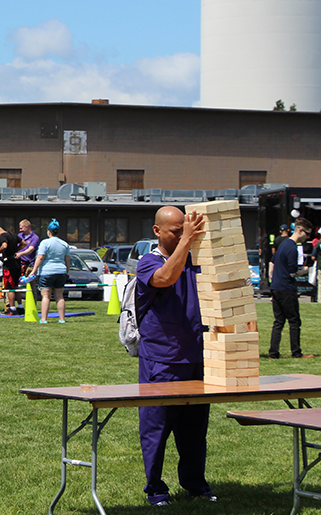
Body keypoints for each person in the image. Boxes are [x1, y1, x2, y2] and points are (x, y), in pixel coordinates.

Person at [135, 206, 215, 506]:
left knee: (195, 430)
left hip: (197, 358)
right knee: (156, 429)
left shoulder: (196, 262)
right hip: (162, 360)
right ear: (157, 231)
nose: (184, 234)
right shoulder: (148, 262)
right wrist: (186, 242)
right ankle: (155, 489)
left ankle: (196, 485)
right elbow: (165, 279)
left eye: (186, 229)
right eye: (176, 230)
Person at [268, 217, 314, 359]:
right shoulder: (292, 248)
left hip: (276, 286)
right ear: (300, 230)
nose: (308, 238)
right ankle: (296, 352)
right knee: (294, 321)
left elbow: (272, 263)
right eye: (307, 234)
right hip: (287, 288)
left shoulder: (282, 244)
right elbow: (293, 272)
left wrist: (272, 280)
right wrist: (306, 270)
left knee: (278, 321)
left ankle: (273, 353)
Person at [25, 219, 69, 324]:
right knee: (59, 296)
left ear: (49, 231)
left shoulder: (45, 243)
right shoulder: (64, 244)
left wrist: (34, 271)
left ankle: (44, 319)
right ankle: (62, 319)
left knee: (46, 296)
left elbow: (40, 257)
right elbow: (67, 259)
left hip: (46, 271)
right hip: (61, 271)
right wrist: (67, 271)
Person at [0, 227, 22, 316]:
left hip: (9, 265)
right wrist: (16, 251)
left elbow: (4, 246)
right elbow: (24, 244)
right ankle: (20, 307)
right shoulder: (13, 235)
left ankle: (12, 308)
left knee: (9, 287)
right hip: (17, 263)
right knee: (16, 286)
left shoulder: (3, 236)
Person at [16, 220, 40, 285]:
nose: (20, 230)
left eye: (21, 228)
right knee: (17, 284)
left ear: (27, 227)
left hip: (29, 265)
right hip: (19, 264)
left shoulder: (35, 238)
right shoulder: (19, 236)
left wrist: (20, 254)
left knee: (31, 285)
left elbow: (31, 249)